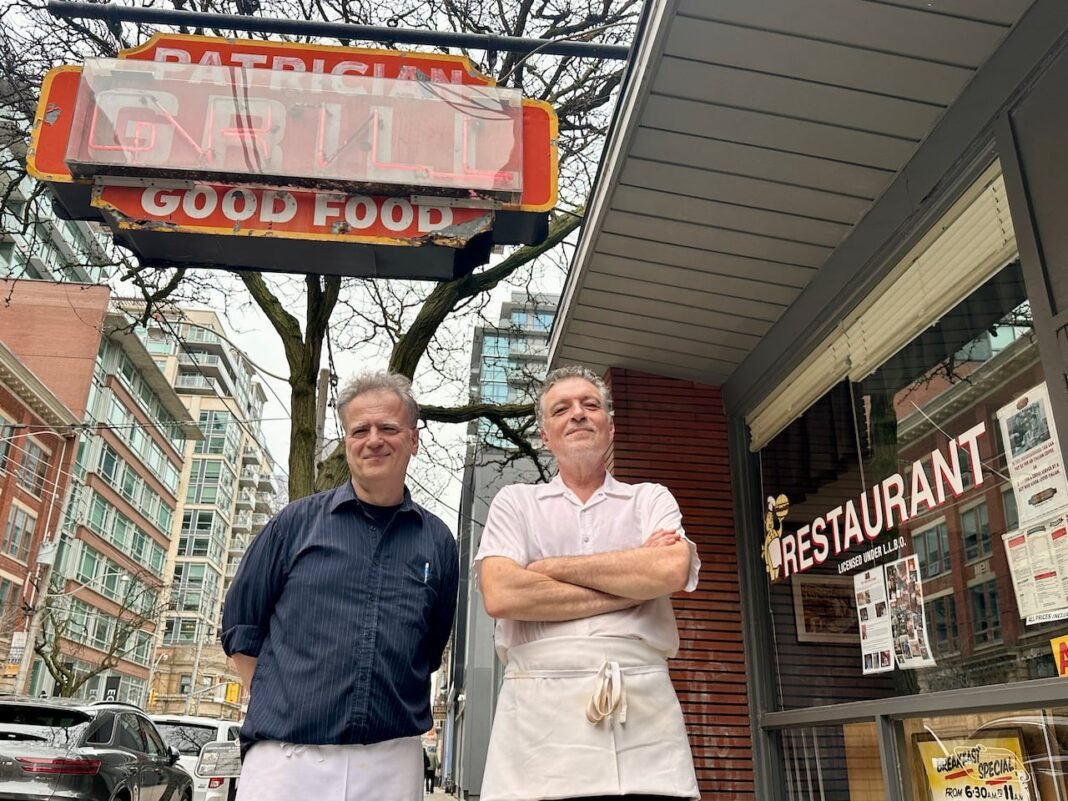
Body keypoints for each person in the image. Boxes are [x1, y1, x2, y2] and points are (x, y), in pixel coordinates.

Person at [222, 371, 459, 801]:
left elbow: (430, 646)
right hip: (287, 761)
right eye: (360, 430)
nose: (374, 440)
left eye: (388, 428)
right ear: (347, 440)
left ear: (413, 439)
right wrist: (292, 700)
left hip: (392, 764)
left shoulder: (439, 541)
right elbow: (242, 627)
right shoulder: (293, 524)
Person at [476, 365, 701, 801]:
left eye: (590, 405)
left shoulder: (650, 498)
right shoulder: (515, 503)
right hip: (538, 717)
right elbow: (502, 593)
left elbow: (670, 571)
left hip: (640, 709)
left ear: (610, 427)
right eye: (562, 409)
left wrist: (547, 569)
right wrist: (632, 583)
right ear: (546, 436)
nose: (577, 414)